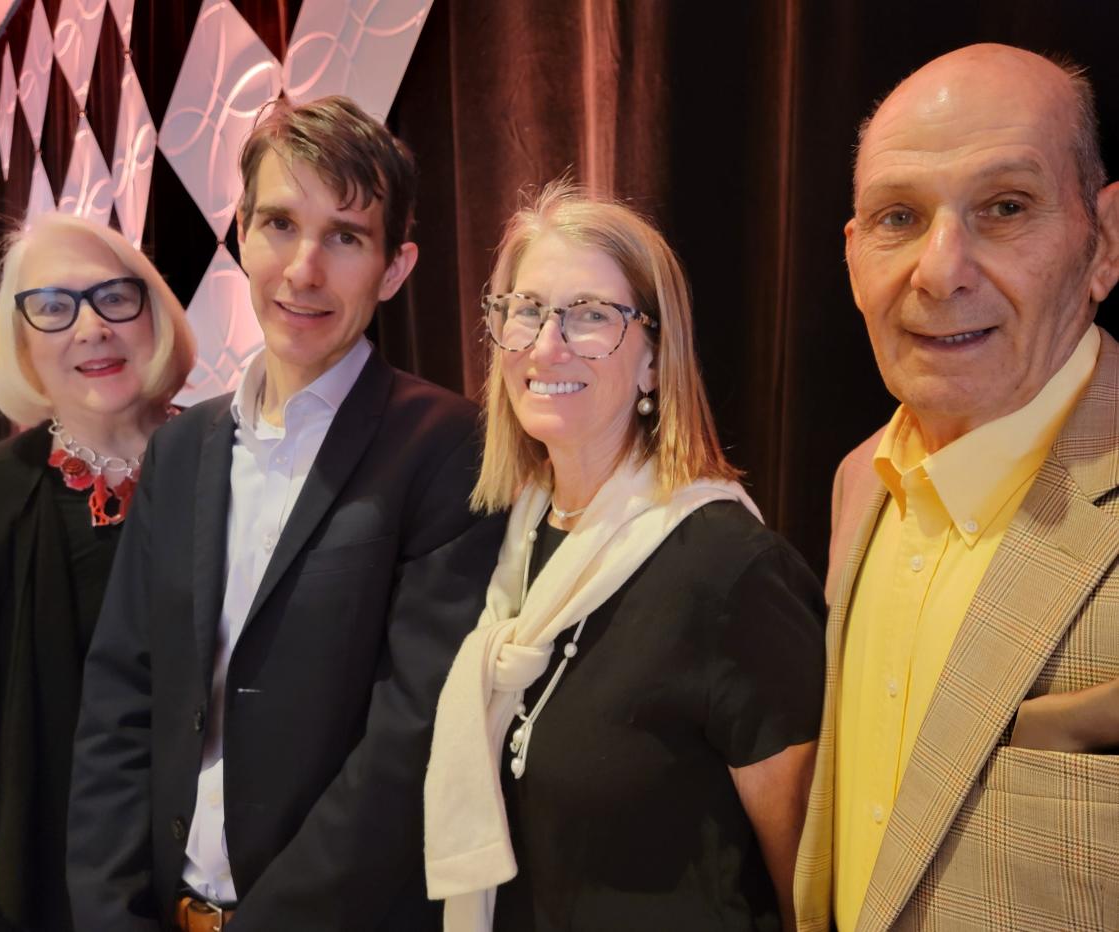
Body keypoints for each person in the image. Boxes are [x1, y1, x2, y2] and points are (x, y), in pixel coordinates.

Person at [67, 95, 505, 931]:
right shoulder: (182, 449)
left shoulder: (449, 448)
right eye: (278, 223)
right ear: (239, 234)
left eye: (345, 236)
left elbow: (409, 740)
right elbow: (122, 697)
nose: (304, 269)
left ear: (396, 267)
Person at [424, 182, 826, 932]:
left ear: (653, 358)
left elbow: (808, 886)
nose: (547, 345)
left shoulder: (730, 571)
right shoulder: (515, 542)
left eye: (589, 317)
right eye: (526, 310)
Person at [794, 44, 1119, 932]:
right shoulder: (859, 481)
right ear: (855, 257)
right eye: (899, 217)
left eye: (1005, 207)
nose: (940, 270)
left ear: (1106, 242)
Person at [0, 212, 195, 930]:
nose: (90, 328)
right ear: (23, 343)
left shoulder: (237, 462)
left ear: (154, 312)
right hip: (60, 898)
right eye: (53, 308)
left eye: (113, 297)